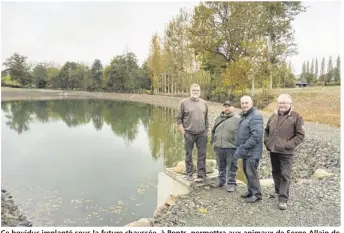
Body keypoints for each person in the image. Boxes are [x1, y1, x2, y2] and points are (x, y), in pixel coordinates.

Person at [264, 94, 305, 210]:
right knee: (275, 172)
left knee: (285, 175)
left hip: (286, 152)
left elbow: (300, 135)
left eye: (285, 103)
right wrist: (267, 141)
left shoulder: (297, 117)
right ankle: (278, 191)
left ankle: (283, 199)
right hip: (273, 150)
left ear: (290, 104)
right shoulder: (273, 115)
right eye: (280, 103)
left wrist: (288, 145)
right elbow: (266, 130)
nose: (282, 105)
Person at [176, 83, 209, 181]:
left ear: (200, 92)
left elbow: (206, 118)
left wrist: (206, 131)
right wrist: (184, 133)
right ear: (190, 91)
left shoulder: (204, 103)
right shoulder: (183, 103)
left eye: (197, 91)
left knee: (202, 154)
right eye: (194, 91)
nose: (196, 92)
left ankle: (201, 174)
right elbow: (178, 119)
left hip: (201, 134)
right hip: (189, 133)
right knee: (188, 154)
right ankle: (189, 173)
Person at [234, 95, 264, 203]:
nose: (244, 105)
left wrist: (243, 147)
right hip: (246, 151)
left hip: (252, 151)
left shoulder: (256, 116)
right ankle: (250, 191)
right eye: (242, 103)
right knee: (247, 172)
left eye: (246, 103)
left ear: (251, 103)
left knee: (251, 173)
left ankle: (257, 195)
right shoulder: (245, 115)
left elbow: (256, 136)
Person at [210, 100, 240, 192]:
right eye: (225, 106)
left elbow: (242, 134)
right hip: (218, 147)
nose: (227, 108)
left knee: (232, 166)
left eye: (229, 106)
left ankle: (231, 183)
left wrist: (238, 146)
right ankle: (221, 181)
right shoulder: (218, 118)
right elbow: (213, 131)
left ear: (233, 108)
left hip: (231, 147)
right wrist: (213, 143)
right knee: (221, 166)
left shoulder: (238, 119)